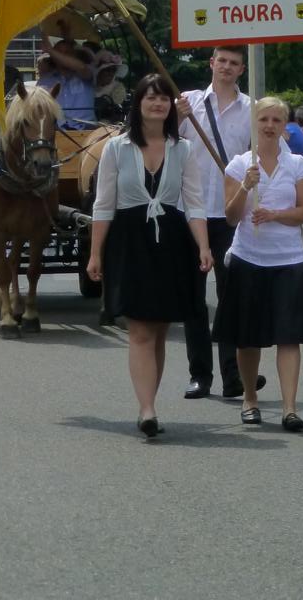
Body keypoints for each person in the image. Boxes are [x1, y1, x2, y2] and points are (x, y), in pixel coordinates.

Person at [87, 75, 213, 437]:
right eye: (150, 98)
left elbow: (194, 203)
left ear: (170, 107)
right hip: (129, 241)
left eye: (163, 99)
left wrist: (203, 246)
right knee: (140, 329)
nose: (157, 104)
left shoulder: (183, 149)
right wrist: (96, 254)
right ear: (138, 104)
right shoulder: (117, 148)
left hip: (171, 242)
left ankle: (149, 402)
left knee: (158, 330)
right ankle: (147, 409)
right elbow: (103, 204)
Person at [215, 97, 303, 431]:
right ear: (254, 123)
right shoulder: (239, 164)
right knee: (248, 338)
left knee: (289, 336)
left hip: (288, 259)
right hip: (249, 257)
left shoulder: (297, 165)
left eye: (277, 120)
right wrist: (246, 187)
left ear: (284, 124)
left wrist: (276, 214)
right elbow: (231, 217)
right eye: (264, 119)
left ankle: (290, 407)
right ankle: (250, 397)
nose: (270, 125)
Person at [176, 43, 263, 400]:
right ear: (211, 64)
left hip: (231, 214)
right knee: (193, 300)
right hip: (192, 212)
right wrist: (174, 117)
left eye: (234, 63)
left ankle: (233, 376)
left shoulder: (252, 110)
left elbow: (266, 156)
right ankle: (200, 375)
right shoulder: (188, 102)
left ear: (242, 70)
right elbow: (165, 143)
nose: (226, 67)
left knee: (232, 298)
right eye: (222, 61)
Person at [36, 14, 97, 128]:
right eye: (59, 53)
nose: (63, 57)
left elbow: (81, 67)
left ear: (74, 55)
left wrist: (51, 50)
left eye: (67, 53)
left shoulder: (88, 73)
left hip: (87, 132)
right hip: (56, 133)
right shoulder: (44, 82)